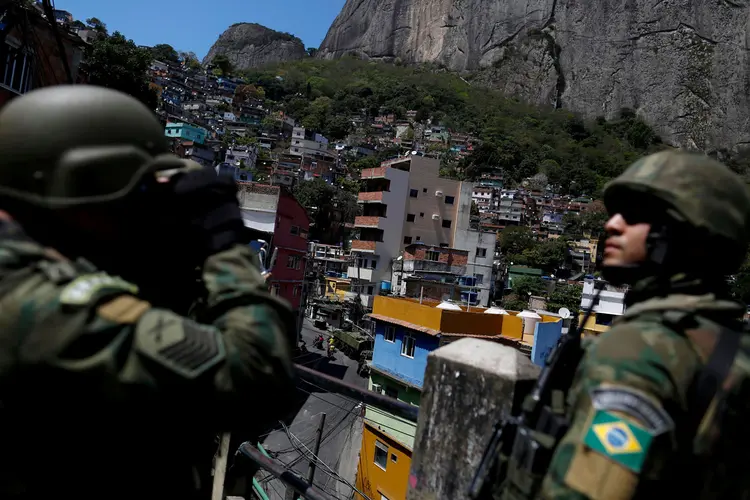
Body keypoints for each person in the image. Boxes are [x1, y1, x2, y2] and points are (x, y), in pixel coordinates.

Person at [0, 85, 297, 499]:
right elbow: (258, 376)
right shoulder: (45, 303)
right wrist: (224, 244)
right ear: (84, 185)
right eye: (134, 197)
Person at [539, 150, 750, 498]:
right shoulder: (731, 345)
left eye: (634, 215)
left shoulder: (640, 352)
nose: (612, 224)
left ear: (683, 234)